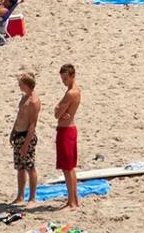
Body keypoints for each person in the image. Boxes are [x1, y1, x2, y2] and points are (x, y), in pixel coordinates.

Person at [10, 73, 41, 207]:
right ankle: (20, 195)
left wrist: (26, 144)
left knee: (30, 167)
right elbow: (19, 116)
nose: (19, 85)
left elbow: (33, 124)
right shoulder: (24, 97)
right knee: (20, 168)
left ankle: (32, 198)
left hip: (26, 136)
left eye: (21, 83)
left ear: (27, 84)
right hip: (18, 134)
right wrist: (12, 132)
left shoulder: (34, 101)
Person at [54, 64, 81, 209]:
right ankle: (73, 199)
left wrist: (58, 109)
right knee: (69, 167)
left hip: (66, 130)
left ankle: (72, 201)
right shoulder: (75, 91)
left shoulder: (71, 93)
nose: (64, 81)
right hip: (69, 128)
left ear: (72, 76)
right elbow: (58, 112)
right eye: (62, 78)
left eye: (65, 78)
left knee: (67, 167)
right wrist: (59, 110)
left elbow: (57, 113)